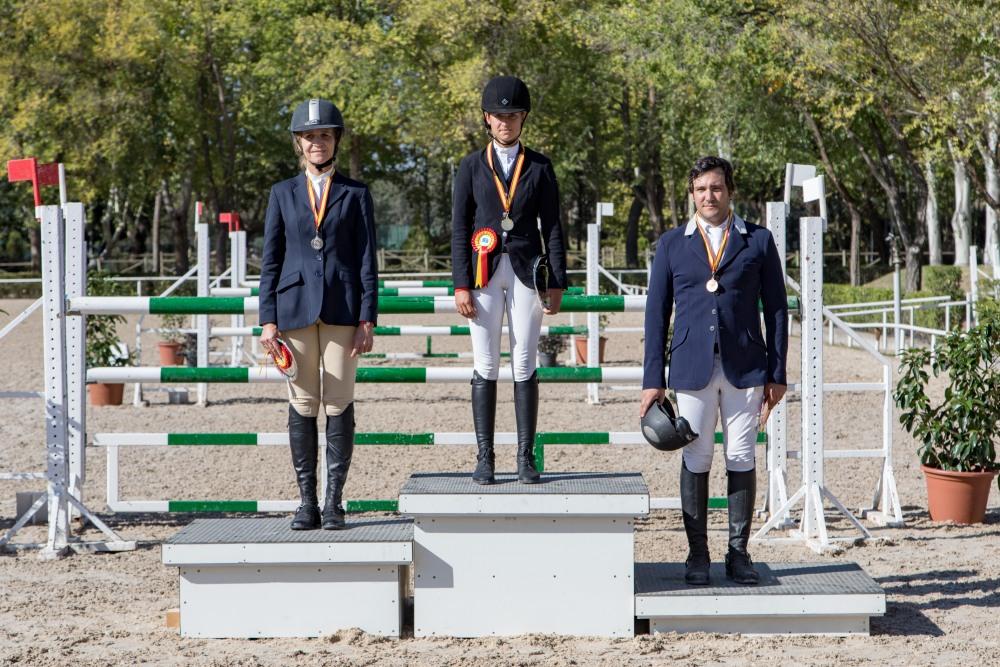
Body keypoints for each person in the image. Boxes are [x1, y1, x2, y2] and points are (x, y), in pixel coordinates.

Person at [640, 156, 788, 585]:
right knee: (697, 456)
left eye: (717, 188)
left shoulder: (758, 241)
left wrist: (777, 374)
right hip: (691, 367)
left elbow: (777, 310)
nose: (710, 196)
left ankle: (738, 554)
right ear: (692, 194)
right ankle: (698, 555)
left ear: (730, 192)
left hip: (746, 367)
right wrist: (653, 380)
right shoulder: (671, 244)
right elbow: (656, 314)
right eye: (702, 189)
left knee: (741, 456)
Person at [259, 98, 378, 530]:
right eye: (309, 136)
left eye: (324, 135)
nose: (317, 143)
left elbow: (367, 258)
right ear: (298, 143)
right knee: (304, 401)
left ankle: (334, 501)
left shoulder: (356, 193)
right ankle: (306, 501)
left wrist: (368, 317)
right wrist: (267, 318)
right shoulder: (281, 193)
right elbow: (270, 259)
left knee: (340, 399)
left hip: (343, 309)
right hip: (293, 309)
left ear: (335, 141)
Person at [451, 76, 568, 485]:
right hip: (483, 273)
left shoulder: (539, 166)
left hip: (526, 271)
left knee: (524, 360)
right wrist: (460, 283)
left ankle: (524, 457)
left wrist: (557, 281)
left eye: (513, 115)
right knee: (485, 362)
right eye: (499, 115)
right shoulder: (469, 166)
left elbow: (553, 225)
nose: (506, 122)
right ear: (487, 118)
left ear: (523, 118)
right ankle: (485, 456)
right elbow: (459, 225)